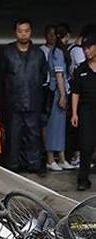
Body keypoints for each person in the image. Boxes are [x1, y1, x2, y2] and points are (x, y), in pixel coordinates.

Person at [2, 18, 48, 173]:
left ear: (31, 32)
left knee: (34, 136)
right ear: (15, 32)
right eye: (20, 31)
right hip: (13, 102)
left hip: (33, 100)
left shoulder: (39, 54)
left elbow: (43, 76)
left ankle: (34, 165)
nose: (23, 34)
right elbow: (2, 77)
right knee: (14, 136)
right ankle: (13, 166)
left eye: (26, 31)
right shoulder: (7, 52)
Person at [45, 24, 76, 171]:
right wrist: (62, 95)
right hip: (57, 92)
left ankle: (62, 157)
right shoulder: (57, 51)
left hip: (63, 90)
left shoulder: (59, 50)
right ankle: (51, 159)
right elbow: (59, 74)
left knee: (60, 127)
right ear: (67, 35)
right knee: (53, 126)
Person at [71, 31, 96, 191]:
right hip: (87, 112)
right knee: (86, 146)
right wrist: (74, 113)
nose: (86, 51)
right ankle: (83, 179)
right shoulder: (80, 69)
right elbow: (75, 92)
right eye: (84, 48)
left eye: (89, 48)